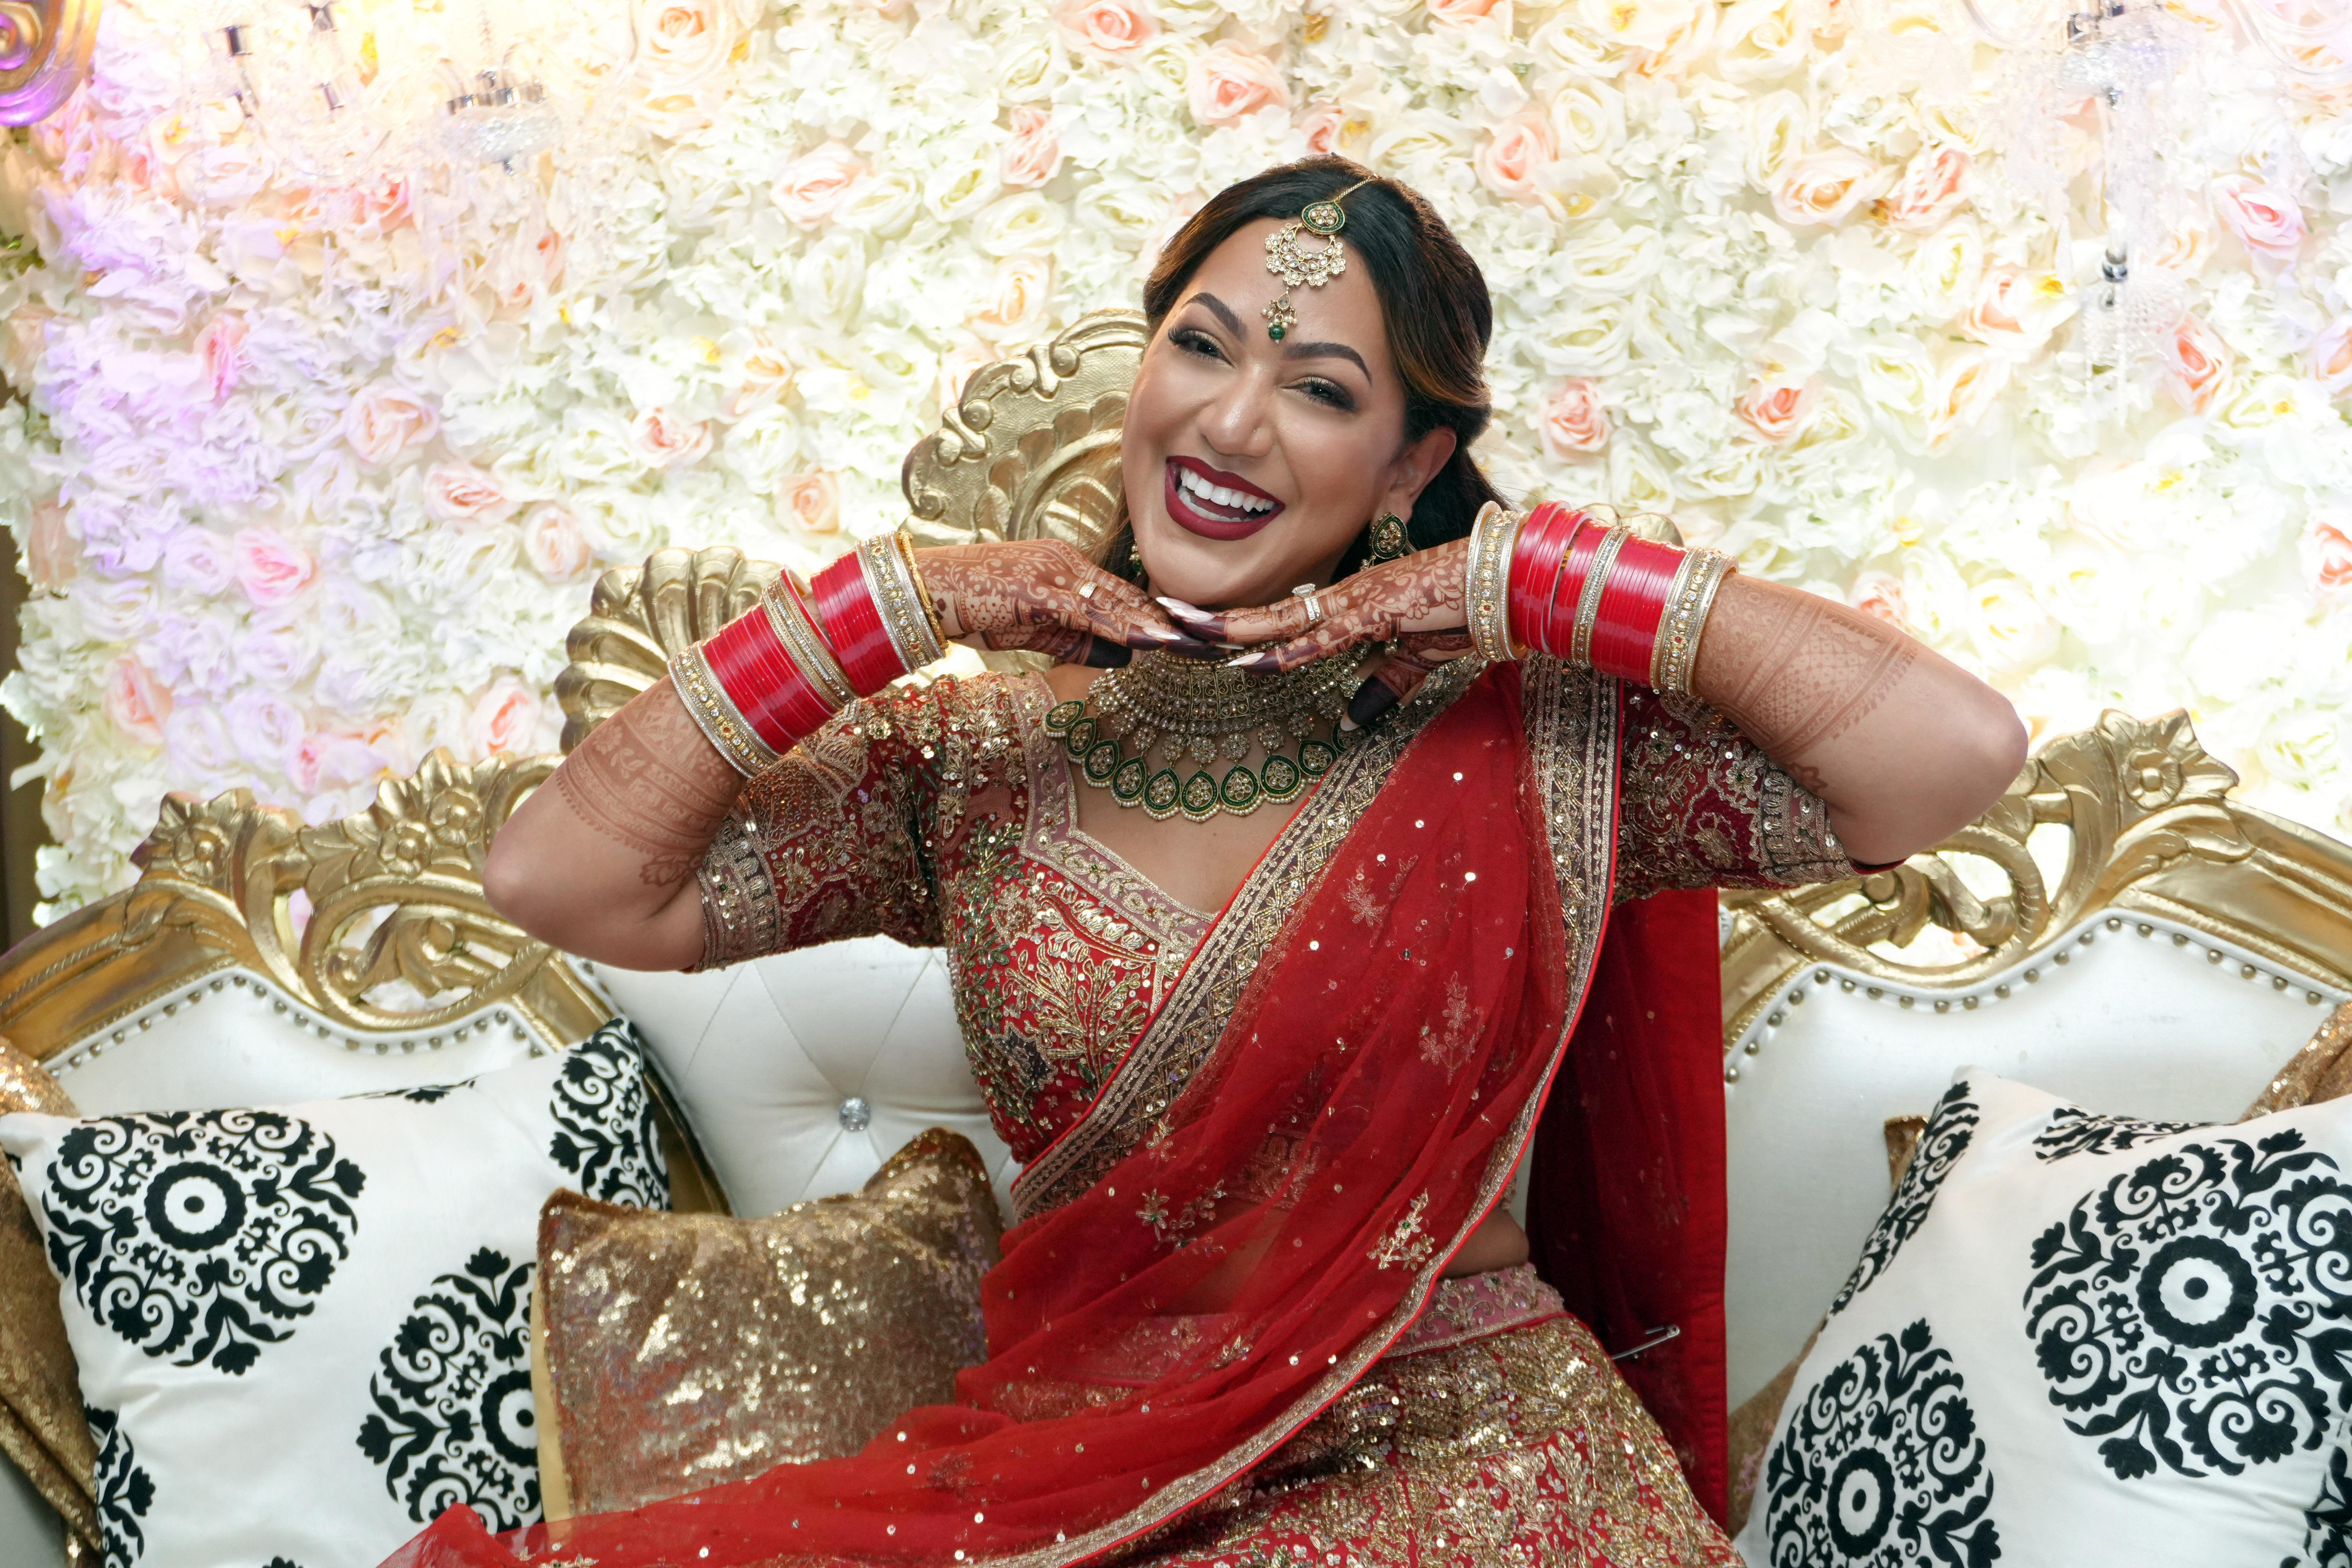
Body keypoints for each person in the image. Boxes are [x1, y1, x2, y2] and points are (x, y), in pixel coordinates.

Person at [403, 156, 2025, 1568]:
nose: (1232, 423)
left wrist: (1526, 581)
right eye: (1201, 345)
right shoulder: (978, 763)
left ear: (1409, 467)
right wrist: (902, 603)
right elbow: (562, 881)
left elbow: (1948, 756)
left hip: (1472, 1468)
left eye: (1320, 389)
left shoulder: (1523, 747)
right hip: (1093, 1467)